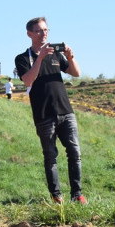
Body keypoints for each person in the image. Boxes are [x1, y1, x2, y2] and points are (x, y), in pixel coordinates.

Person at [15, 16, 86, 204]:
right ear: (29, 34)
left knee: (75, 152)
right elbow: (28, 80)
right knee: (50, 156)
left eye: (46, 30)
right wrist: (40, 58)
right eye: (39, 30)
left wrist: (70, 56)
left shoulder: (56, 54)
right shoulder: (23, 58)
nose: (43, 33)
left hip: (65, 110)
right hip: (44, 114)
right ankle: (56, 196)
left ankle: (77, 194)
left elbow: (76, 73)